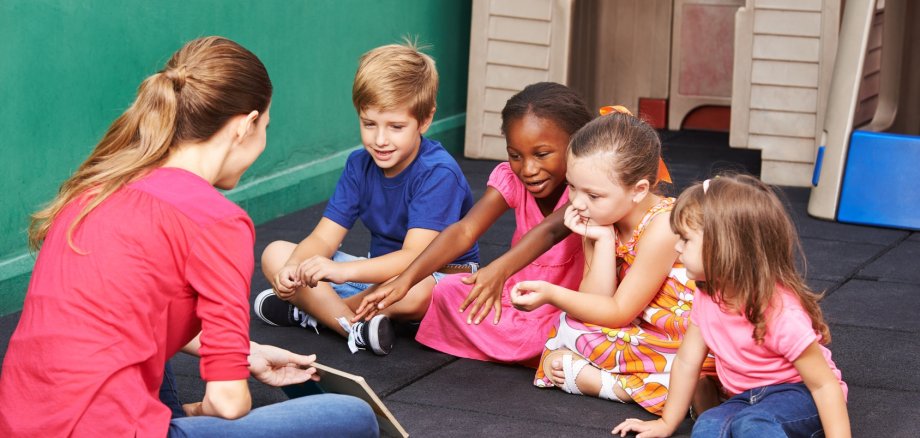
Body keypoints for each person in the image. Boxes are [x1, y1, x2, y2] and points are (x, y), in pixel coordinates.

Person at [0, 37, 378, 437]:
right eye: (264, 127)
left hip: (21, 425)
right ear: (244, 126)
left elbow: (122, 318)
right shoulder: (217, 221)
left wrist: (248, 354)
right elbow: (228, 404)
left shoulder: (96, 191)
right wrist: (203, 408)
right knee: (352, 416)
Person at [254, 40, 478, 356]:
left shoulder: (438, 172)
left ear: (425, 120)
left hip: (434, 277)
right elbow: (322, 238)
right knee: (275, 253)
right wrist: (293, 270)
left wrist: (340, 274)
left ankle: (318, 314)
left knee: (417, 290)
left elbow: (414, 259)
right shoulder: (359, 165)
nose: (380, 140)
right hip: (373, 275)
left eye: (396, 127)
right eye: (369, 124)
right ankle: (353, 325)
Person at [353, 82, 592, 366]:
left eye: (541, 154)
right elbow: (465, 230)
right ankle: (532, 351)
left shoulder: (587, 190)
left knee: (577, 329)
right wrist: (406, 280)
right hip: (518, 299)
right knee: (447, 290)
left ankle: (537, 347)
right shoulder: (512, 178)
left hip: (566, 305)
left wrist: (498, 270)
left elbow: (552, 230)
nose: (527, 168)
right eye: (515, 155)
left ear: (576, 144)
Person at [509, 107, 717, 415]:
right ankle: (653, 386)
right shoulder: (599, 215)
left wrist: (551, 294)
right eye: (572, 187)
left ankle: (617, 386)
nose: (577, 203)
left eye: (593, 195)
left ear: (639, 190)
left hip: (685, 338)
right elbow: (596, 303)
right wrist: (602, 241)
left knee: (562, 343)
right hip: (638, 330)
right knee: (568, 327)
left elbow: (617, 313)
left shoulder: (663, 225)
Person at [612, 175, 850, 438]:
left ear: (725, 247)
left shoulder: (781, 313)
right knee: (709, 425)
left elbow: (824, 386)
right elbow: (686, 361)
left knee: (755, 423)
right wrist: (667, 422)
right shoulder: (707, 295)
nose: (677, 247)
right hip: (743, 398)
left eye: (686, 239)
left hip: (799, 394)